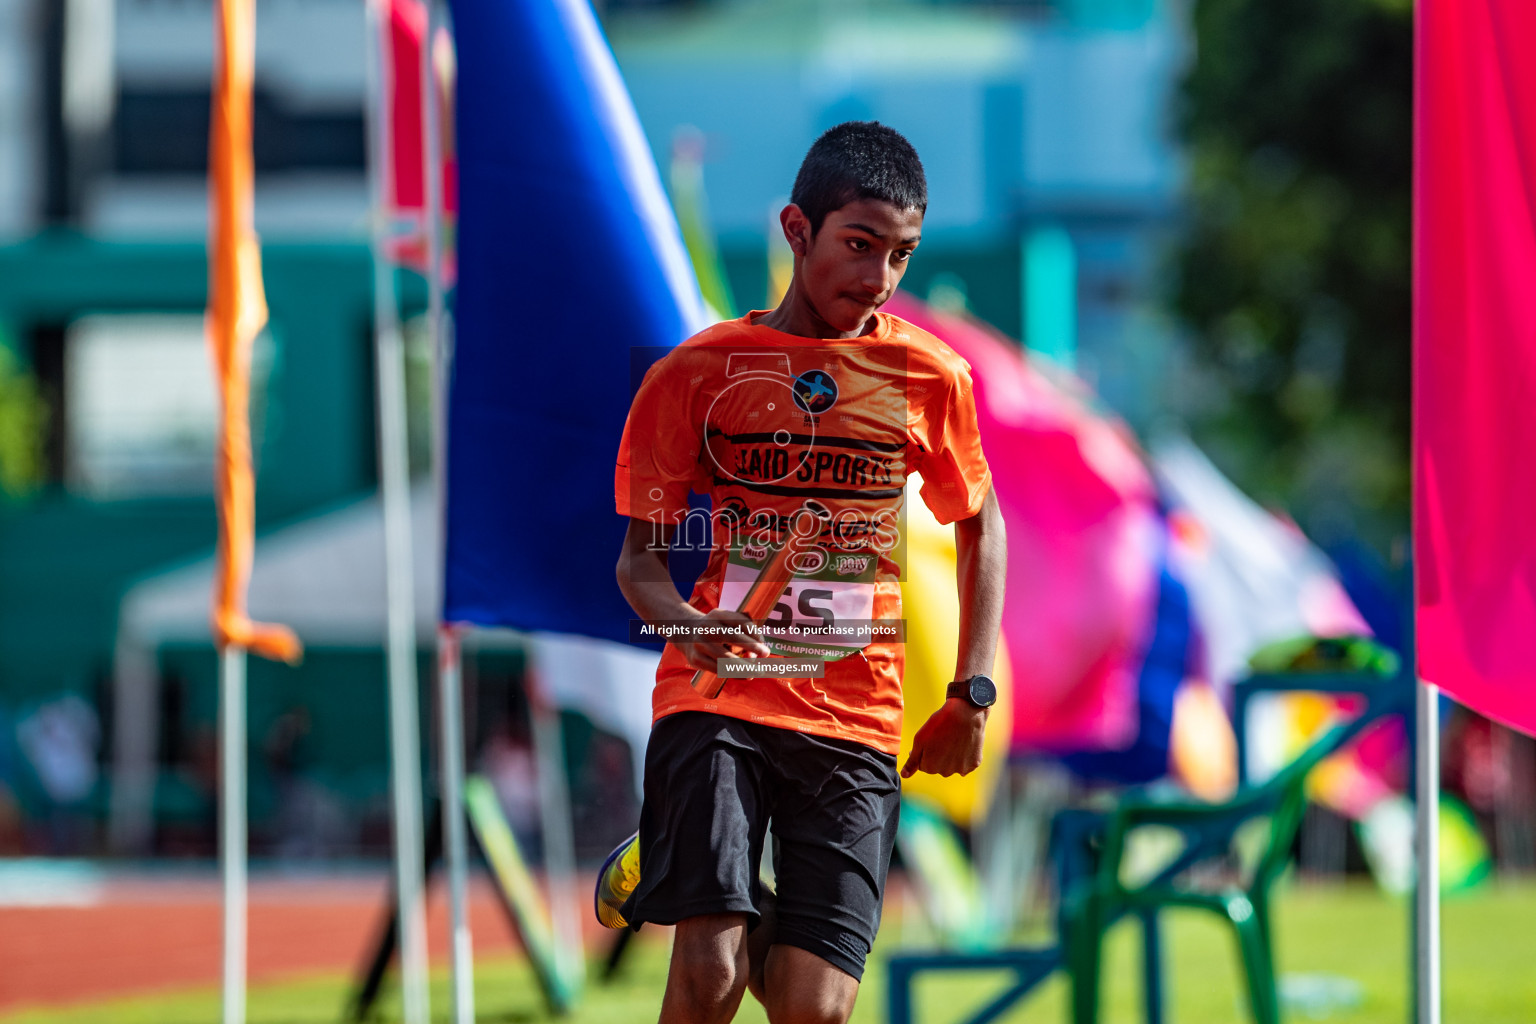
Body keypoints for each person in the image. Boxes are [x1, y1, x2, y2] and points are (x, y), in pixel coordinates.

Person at [602, 121, 1007, 1024]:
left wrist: (969, 693)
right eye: (859, 246)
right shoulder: (696, 374)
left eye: (901, 255)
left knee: (810, 1007)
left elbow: (981, 522)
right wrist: (697, 628)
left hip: (855, 712)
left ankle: (696, 867)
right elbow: (640, 567)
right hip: (720, 697)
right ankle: (707, 869)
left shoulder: (928, 377)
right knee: (709, 977)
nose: (879, 279)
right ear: (796, 229)